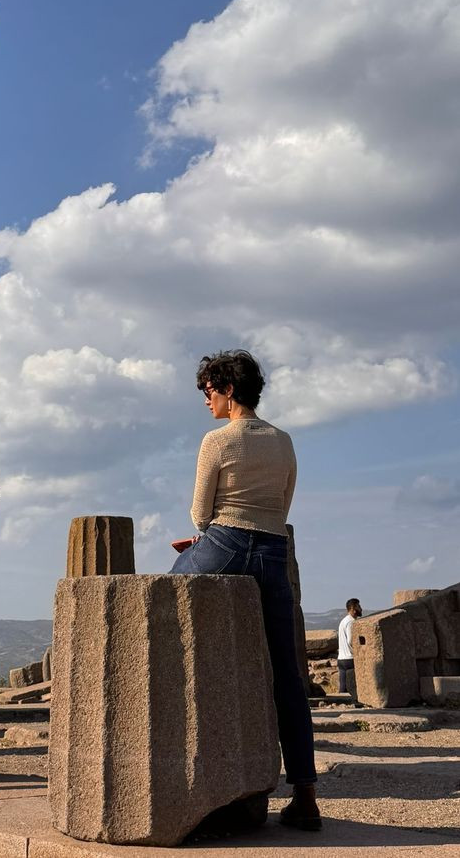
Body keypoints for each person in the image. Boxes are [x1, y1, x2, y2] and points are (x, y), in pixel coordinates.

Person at [170, 350, 321, 832]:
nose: (206, 401)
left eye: (208, 391)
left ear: (228, 390)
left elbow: (200, 513)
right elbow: (282, 504)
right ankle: (305, 794)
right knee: (288, 677)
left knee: (169, 583)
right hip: (274, 550)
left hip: (225, 541)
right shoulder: (285, 440)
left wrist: (203, 543)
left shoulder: (217, 440)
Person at [337, 598, 362, 693]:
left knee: (343, 687)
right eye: (359, 606)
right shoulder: (351, 622)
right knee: (354, 687)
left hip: (341, 658)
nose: (361, 609)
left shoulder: (343, 621)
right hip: (350, 658)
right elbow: (351, 640)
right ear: (352, 608)